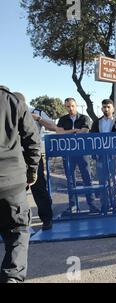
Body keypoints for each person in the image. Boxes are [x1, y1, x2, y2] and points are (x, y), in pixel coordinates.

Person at [0, 86, 40, 283]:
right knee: (17, 231)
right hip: (12, 181)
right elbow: (32, 140)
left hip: (12, 180)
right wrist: (32, 171)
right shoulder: (12, 101)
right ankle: (12, 277)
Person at [14, 92, 57, 230]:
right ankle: (18, 222)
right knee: (16, 191)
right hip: (15, 156)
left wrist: (38, 118)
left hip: (32, 155)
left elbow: (53, 126)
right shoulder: (8, 112)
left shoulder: (35, 111)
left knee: (38, 188)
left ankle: (47, 219)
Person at [56, 97, 100, 215]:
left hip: (83, 153)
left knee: (87, 178)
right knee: (70, 180)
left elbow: (84, 131)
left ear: (76, 106)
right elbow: (59, 132)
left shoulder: (84, 117)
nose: (70, 108)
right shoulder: (62, 119)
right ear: (65, 107)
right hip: (68, 153)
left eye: (72, 106)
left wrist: (69, 132)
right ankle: (73, 206)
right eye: (68, 106)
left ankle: (92, 205)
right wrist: (74, 131)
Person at [90, 99, 116, 215]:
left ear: (113, 108)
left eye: (108, 107)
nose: (106, 109)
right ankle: (104, 205)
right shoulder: (96, 122)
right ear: (101, 108)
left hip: (115, 155)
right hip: (101, 155)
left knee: (115, 180)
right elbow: (91, 138)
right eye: (104, 107)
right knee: (102, 180)